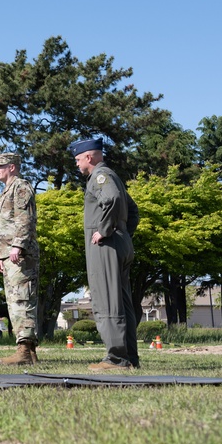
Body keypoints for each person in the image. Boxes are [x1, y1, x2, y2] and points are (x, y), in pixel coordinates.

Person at [70, 137, 139, 371]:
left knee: (107, 301)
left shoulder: (100, 177)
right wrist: (123, 233)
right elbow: (133, 210)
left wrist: (104, 230)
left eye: (78, 159)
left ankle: (117, 359)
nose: (77, 164)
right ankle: (129, 358)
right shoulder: (113, 177)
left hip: (106, 246)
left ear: (89, 157)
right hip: (120, 243)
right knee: (122, 302)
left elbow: (113, 200)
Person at [0, 151, 38, 365]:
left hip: (20, 254)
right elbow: (5, 226)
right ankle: (29, 351)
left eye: (0, 166)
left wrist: (17, 246)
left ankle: (25, 351)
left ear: (12, 167)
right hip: (9, 255)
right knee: (14, 300)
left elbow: (24, 220)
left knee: (22, 299)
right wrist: (1, 255)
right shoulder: (7, 190)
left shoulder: (20, 187)